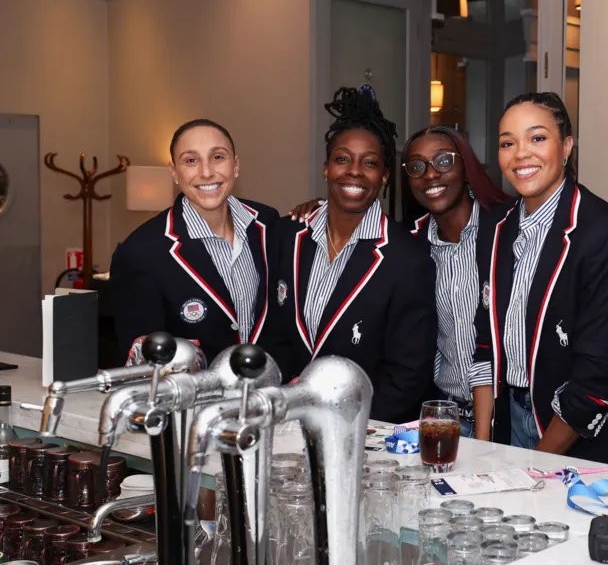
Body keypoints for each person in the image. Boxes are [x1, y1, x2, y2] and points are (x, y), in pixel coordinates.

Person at [471, 92, 608, 459]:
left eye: (537, 138)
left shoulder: (604, 234)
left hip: (573, 433)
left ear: (566, 147)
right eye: (507, 143)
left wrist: (535, 463)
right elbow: (485, 342)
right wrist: (481, 448)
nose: (520, 154)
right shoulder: (495, 227)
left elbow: (596, 377)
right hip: (506, 418)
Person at [265, 85, 436, 423]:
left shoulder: (408, 259)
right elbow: (272, 334)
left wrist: (347, 424)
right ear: (327, 168)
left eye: (370, 163)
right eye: (342, 159)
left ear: (385, 177)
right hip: (287, 422)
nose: (354, 171)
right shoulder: (286, 236)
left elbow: (407, 374)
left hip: (364, 431)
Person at [111, 119, 278, 364]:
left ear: (236, 165)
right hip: (195, 400)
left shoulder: (268, 223)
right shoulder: (141, 252)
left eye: (218, 157)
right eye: (191, 160)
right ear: (174, 173)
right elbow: (142, 362)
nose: (207, 172)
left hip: (269, 394)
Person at [401, 126, 509, 439]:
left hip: (506, 417)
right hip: (444, 415)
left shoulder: (505, 228)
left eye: (444, 161)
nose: (431, 175)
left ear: (466, 168)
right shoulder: (409, 245)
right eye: (418, 166)